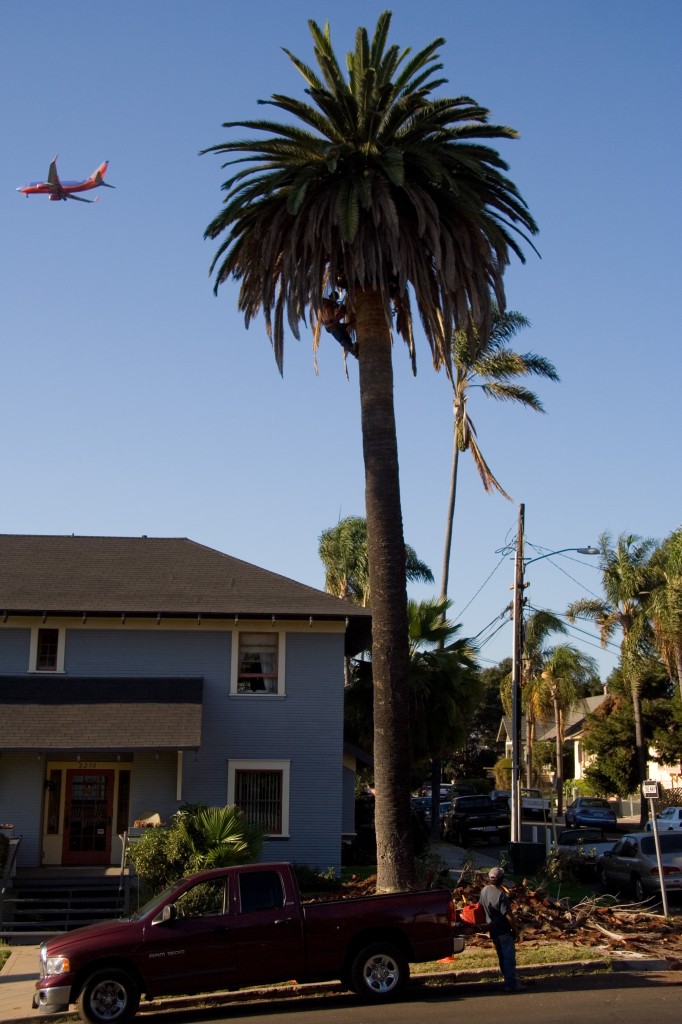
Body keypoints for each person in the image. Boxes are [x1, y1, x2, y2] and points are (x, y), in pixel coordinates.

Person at [478, 865, 526, 993]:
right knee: (509, 958)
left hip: (493, 931)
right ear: (502, 880)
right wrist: (516, 931)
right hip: (504, 931)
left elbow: (480, 909)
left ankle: (509, 980)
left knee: (502, 957)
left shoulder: (484, 891)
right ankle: (511, 984)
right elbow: (509, 916)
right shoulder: (501, 896)